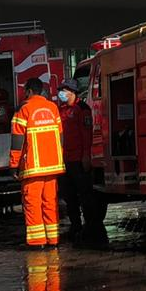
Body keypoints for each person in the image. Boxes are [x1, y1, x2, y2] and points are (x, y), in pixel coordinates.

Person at [10, 79, 65, 248]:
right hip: (53, 165)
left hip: (33, 167)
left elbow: (17, 140)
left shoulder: (23, 109)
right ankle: (53, 239)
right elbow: (60, 137)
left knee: (32, 203)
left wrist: (14, 165)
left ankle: (37, 241)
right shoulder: (53, 108)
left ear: (28, 91)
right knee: (50, 202)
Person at [56, 81, 94, 242]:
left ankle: (90, 226)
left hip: (79, 159)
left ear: (72, 92)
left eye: (64, 90)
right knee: (69, 195)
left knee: (85, 194)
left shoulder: (82, 109)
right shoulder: (61, 110)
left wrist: (86, 155)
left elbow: (87, 134)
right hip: (65, 160)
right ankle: (75, 225)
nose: (61, 94)